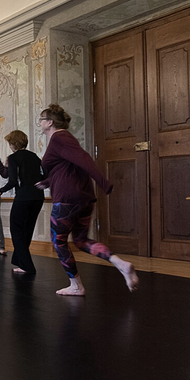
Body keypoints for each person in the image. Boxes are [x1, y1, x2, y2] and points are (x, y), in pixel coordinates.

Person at [36, 104, 139, 296]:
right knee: (81, 240)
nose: (39, 122)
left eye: (41, 119)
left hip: (67, 199)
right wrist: (48, 181)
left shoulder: (59, 137)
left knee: (58, 241)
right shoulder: (62, 140)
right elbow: (68, 167)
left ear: (49, 122)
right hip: (82, 198)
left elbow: (83, 159)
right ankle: (120, 264)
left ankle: (76, 285)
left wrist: (103, 182)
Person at [0, 130, 44, 274]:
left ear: (12, 143)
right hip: (38, 197)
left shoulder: (13, 158)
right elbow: (44, 175)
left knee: (16, 230)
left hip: (23, 197)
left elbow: (12, 181)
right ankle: (20, 262)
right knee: (27, 230)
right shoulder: (35, 157)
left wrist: (0, 191)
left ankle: (27, 266)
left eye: (9, 143)